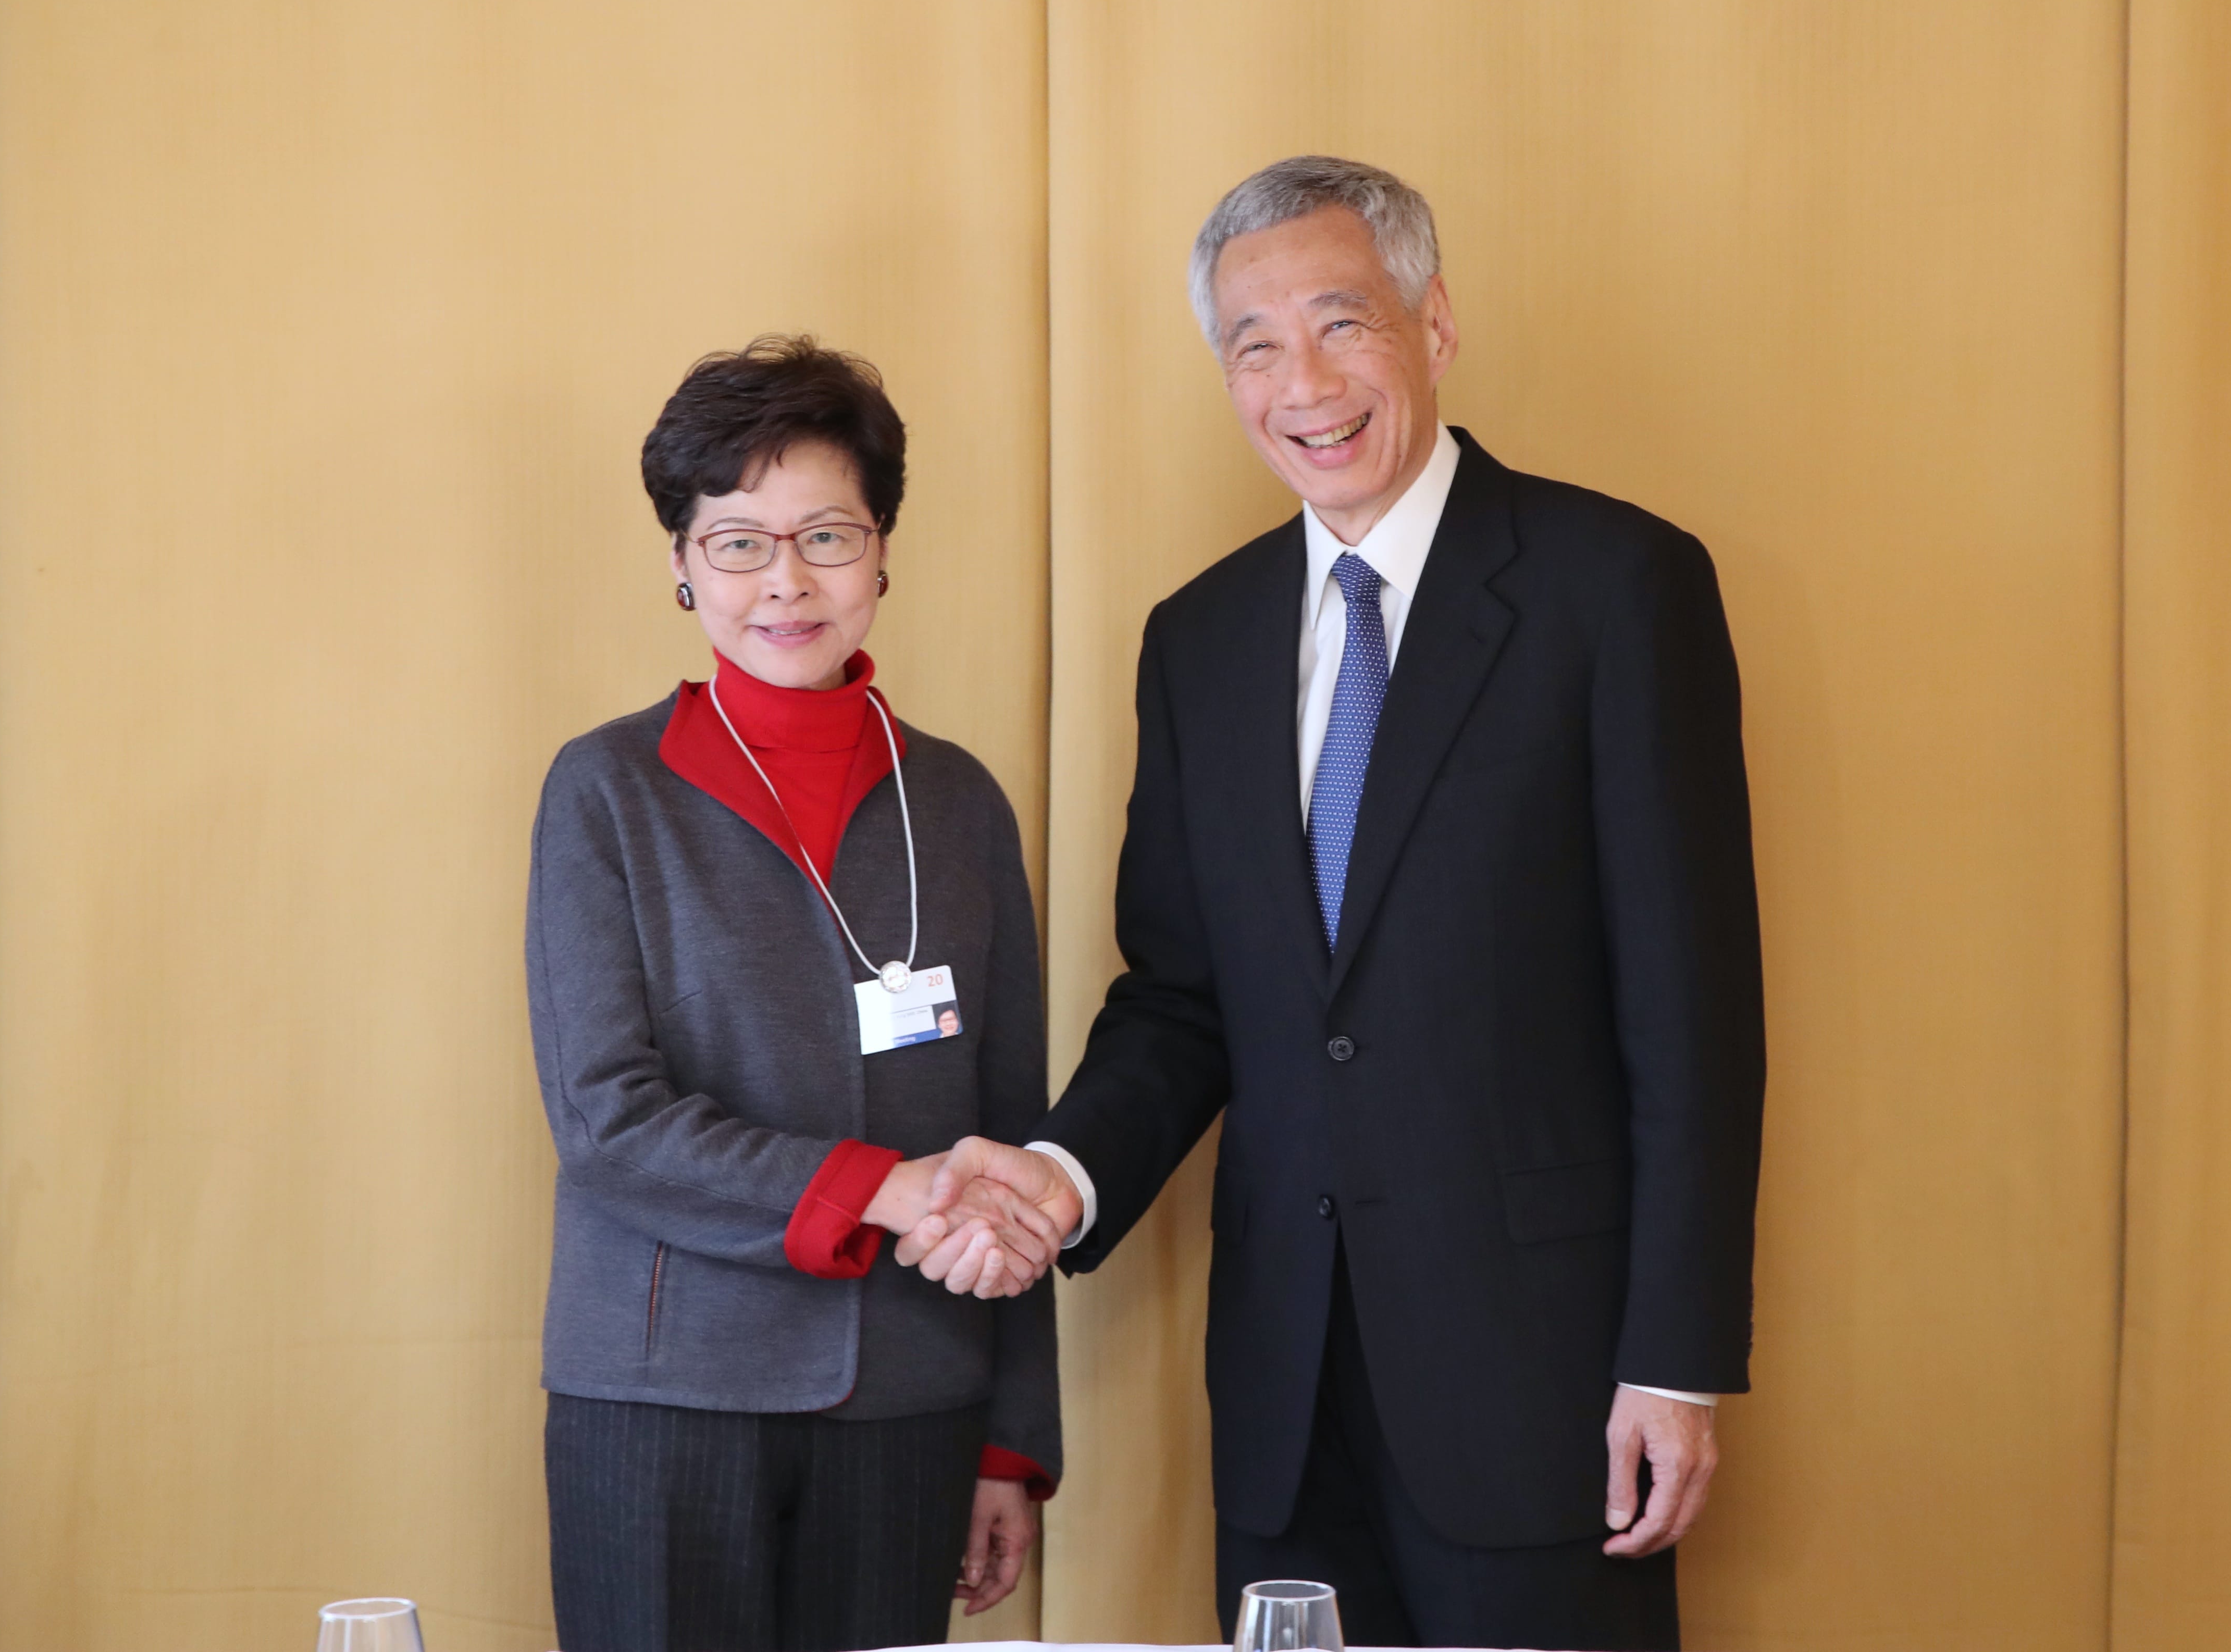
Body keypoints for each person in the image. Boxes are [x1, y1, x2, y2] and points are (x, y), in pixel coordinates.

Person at [900, 158, 1767, 1650]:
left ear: (1432, 326)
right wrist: (1063, 1175)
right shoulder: (1202, 638)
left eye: (1340, 323)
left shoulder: (1615, 589)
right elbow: (1182, 999)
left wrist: (1676, 1361)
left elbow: (1693, 1013)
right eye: (1253, 344)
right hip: (1288, 1401)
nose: (1300, 381)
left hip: (1550, 1389)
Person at [526, 336, 1064, 1652]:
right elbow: (608, 1118)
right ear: (680, 565)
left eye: (826, 535)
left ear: (882, 552)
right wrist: (878, 1187)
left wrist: (1011, 1440)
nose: (787, 582)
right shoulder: (606, 791)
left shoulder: (962, 801)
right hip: (665, 1399)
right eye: (738, 542)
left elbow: (1013, 1124)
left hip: (911, 1399)